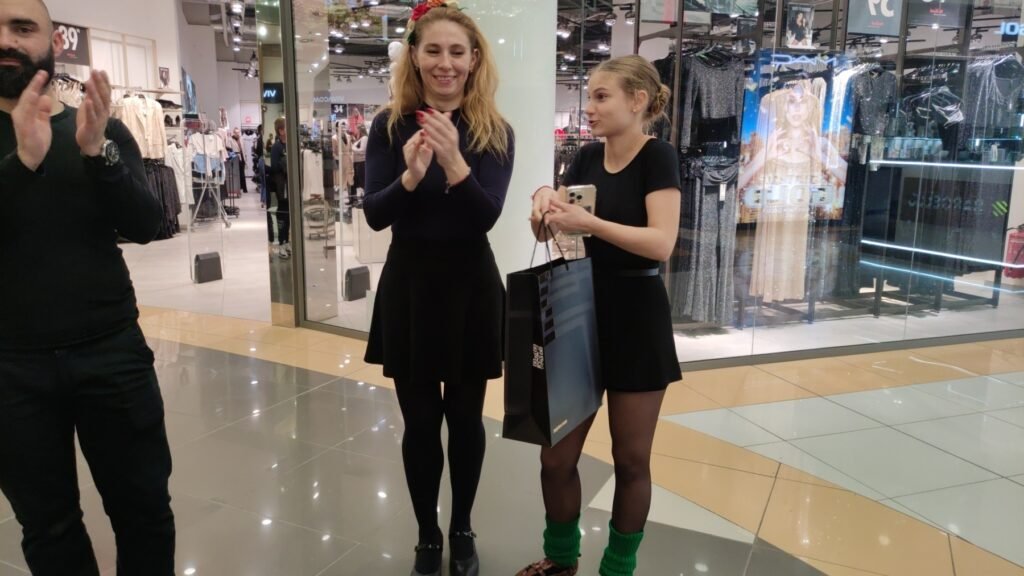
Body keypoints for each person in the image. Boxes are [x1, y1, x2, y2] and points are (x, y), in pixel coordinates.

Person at [0, 0, 175, 574]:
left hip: (112, 353)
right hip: (11, 368)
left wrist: (99, 154)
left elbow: (146, 224)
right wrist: (22, 163)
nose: (7, 40)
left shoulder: (100, 127)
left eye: (22, 27)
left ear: (55, 42)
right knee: (47, 525)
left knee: (144, 511)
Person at [361, 2, 514, 575]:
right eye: (433, 50)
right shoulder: (389, 125)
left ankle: (462, 527)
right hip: (411, 286)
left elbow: (485, 216)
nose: (445, 63)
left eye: (457, 52)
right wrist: (409, 177)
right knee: (421, 423)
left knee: (467, 421)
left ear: (474, 60)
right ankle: (428, 533)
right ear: (415, 56)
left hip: (472, 287)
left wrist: (453, 162)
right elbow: (376, 214)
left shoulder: (495, 131)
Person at [520, 55, 682, 576]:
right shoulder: (586, 157)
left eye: (601, 96)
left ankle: (617, 569)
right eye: (589, 96)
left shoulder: (658, 157)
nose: (588, 107)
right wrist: (544, 210)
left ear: (638, 100)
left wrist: (590, 223)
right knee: (555, 456)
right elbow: (554, 232)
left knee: (631, 461)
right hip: (578, 312)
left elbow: (661, 243)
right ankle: (560, 559)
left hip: (637, 319)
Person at [268, 117, 290, 259]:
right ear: (281, 131)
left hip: (290, 185)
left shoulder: (289, 144)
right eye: (286, 128)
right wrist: (284, 162)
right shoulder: (276, 147)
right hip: (282, 187)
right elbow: (274, 167)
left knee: (289, 215)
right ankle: (281, 243)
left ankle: (286, 241)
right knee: (283, 214)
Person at [352, 123, 368, 195]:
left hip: (361, 163)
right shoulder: (359, 139)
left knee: (362, 181)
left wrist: (353, 148)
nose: (356, 131)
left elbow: (362, 151)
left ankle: (365, 196)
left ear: (360, 130)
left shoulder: (364, 138)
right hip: (357, 162)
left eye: (357, 129)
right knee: (358, 181)